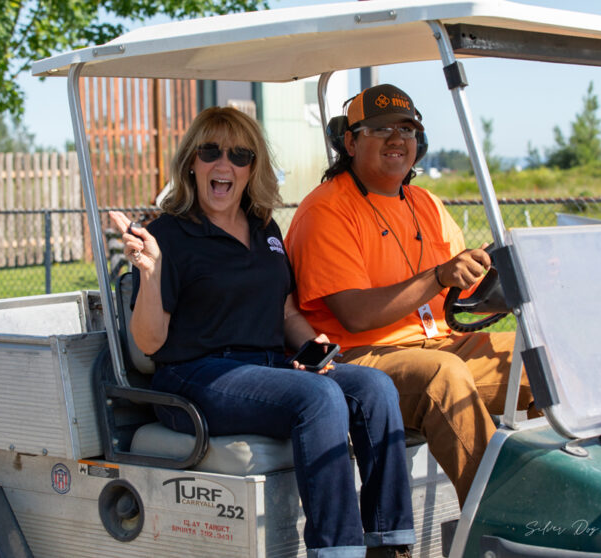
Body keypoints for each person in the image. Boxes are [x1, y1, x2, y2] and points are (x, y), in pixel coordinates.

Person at [110, 106, 415, 558]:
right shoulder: (167, 237)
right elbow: (151, 343)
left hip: (264, 369)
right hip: (194, 377)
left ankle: (390, 543)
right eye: (210, 151)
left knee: (373, 387)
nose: (223, 164)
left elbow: (286, 310)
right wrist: (149, 273)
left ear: (252, 168)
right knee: (318, 398)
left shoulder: (264, 228)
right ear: (191, 162)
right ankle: (337, 551)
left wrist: (313, 346)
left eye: (239, 155)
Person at [285, 84, 537, 507]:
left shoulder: (428, 205)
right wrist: (439, 276)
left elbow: (469, 294)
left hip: (439, 345)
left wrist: (518, 278)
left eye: (407, 129)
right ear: (350, 141)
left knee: (542, 357)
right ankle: (508, 518)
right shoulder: (326, 210)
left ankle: (573, 505)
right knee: (443, 375)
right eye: (380, 129)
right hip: (360, 360)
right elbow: (356, 316)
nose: (397, 139)